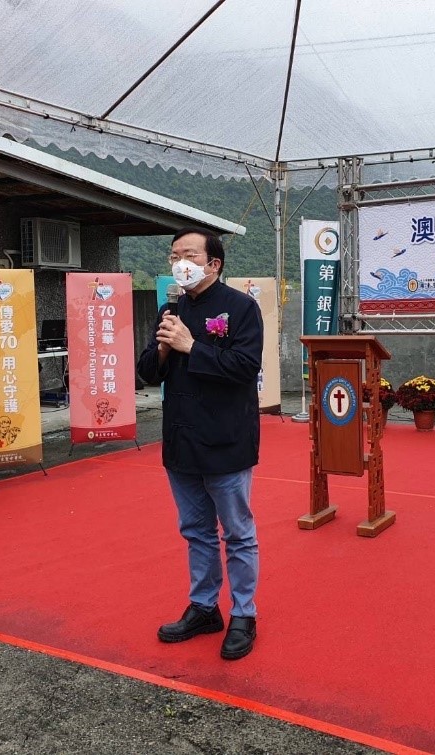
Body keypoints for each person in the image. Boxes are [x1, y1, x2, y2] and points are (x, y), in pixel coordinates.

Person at [137, 227, 264, 661]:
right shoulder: (170, 309)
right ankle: (204, 607)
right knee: (196, 531)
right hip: (181, 438)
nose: (180, 263)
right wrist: (165, 351)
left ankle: (244, 614)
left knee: (238, 534)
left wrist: (191, 346)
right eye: (174, 256)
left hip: (226, 439)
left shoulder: (241, 308)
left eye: (188, 255)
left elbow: (245, 367)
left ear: (214, 263)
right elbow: (148, 372)